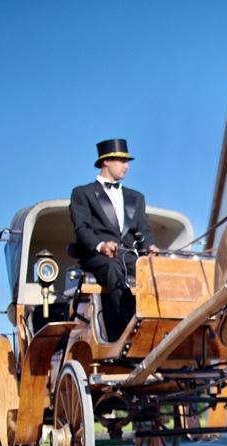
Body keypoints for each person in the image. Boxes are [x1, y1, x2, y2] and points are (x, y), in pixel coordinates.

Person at [69, 139, 159, 341]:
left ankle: (160, 325)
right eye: (122, 160)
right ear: (106, 162)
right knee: (113, 269)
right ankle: (130, 329)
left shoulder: (136, 197)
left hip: (126, 255)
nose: (126, 166)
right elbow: (82, 230)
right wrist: (101, 246)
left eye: (127, 161)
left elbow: (143, 230)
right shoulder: (82, 194)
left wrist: (150, 246)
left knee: (155, 271)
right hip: (97, 256)